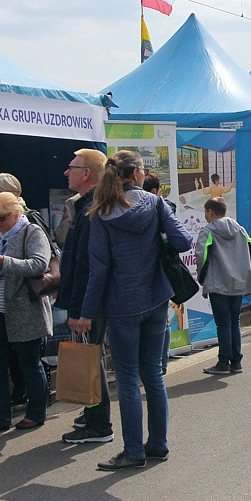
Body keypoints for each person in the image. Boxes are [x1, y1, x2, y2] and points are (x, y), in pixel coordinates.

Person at [82, 150, 191, 470]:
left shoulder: (100, 213)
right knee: (153, 375)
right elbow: (183, 241)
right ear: (136, 174)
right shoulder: (156, 204)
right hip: (156, 298)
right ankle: (158, 444)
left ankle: (133, 452)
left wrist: (87, 312)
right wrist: (160, 239)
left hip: (121, 305)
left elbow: (99, 269)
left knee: (128, 379)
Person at [0, 192, 53, 435]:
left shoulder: (32, 232)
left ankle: (36, 412)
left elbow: (39, 264)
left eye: (2, 218)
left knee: (29, 364)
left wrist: (3, 261)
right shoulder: (2, 236)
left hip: (26, 310)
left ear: (16, 214)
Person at [55, 149, 113, 445]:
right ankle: (91, 414)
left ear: (87, 173)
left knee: (92, 356)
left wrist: (81, 310)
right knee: (92, 356)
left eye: (72, 167)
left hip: (89, 302)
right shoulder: (86, 206)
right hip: (88, 300)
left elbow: (87, 266)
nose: (67, 172)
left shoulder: (91, 211)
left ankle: (99, 424)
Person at [196, 196, 251, 375]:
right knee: (234, 321)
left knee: (223, 323)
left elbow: (202, 257)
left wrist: (202, 277)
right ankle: (236, 361)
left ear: (210, 212)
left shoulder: (208, 231)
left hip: (219, 282)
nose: (205, 215)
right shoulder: (240, 229)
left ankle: (223, 362)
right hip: (238, 282)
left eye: (205, 211)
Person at [143, 173, 177, 375]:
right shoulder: (165, 209)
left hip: (157, 272)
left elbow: (181, 240)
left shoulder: (162, 209)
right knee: (161, 320)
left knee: (160, 320)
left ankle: (160, 363)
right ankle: (159, 363)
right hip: (160, 271)